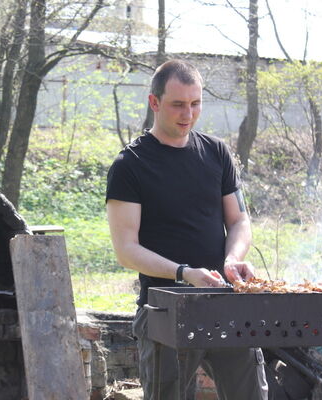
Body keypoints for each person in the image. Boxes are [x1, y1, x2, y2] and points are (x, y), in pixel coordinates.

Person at [105, 59, 268, 400]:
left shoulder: (217, 152)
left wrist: (232, 259)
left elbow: (239, 220)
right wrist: (184, 273)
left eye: (195, 104)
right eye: (178, 104)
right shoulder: (129, 165)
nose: (188, 114)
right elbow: (126, 250)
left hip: (226, 304)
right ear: (154, 102)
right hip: (165, 310)